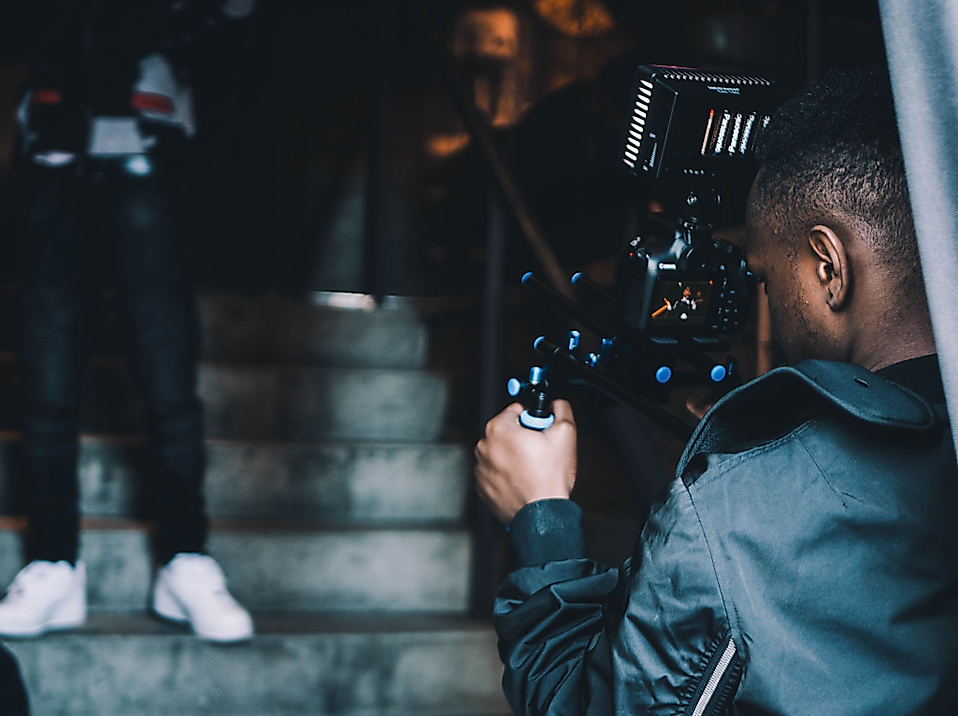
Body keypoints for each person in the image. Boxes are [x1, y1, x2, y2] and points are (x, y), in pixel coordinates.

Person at [475, 65, 958, 713]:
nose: (768, 303)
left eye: (762, 276)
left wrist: (540, 516)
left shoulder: (736, 513)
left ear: (828, 266)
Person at [0, 0, 255, 643]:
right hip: (52, 156)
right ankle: (54, 562)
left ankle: (184, 559)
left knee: (168, 381)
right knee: (46, 388)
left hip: (147, 152)